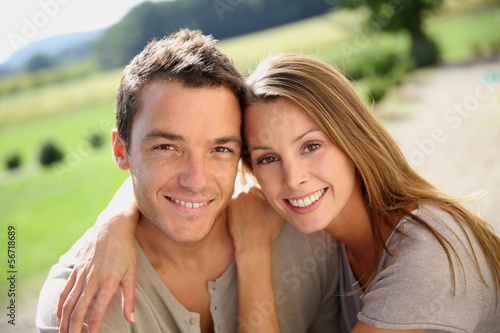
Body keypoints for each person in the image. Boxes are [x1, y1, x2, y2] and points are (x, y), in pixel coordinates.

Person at [56, 52, 500, 332]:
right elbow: (182, 171)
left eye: (311, 146)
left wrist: (252, 252)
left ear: (354, 140)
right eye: (267, 157)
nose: (293, 178)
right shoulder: (329, 236)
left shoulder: (430, 256)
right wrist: (114, 219)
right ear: (250, 169)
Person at [35, 31, 341, 333]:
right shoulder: (77, 304)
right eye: (167, 148)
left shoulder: (308, 240)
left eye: (220, 149)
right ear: (121, 151)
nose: (196, 180)